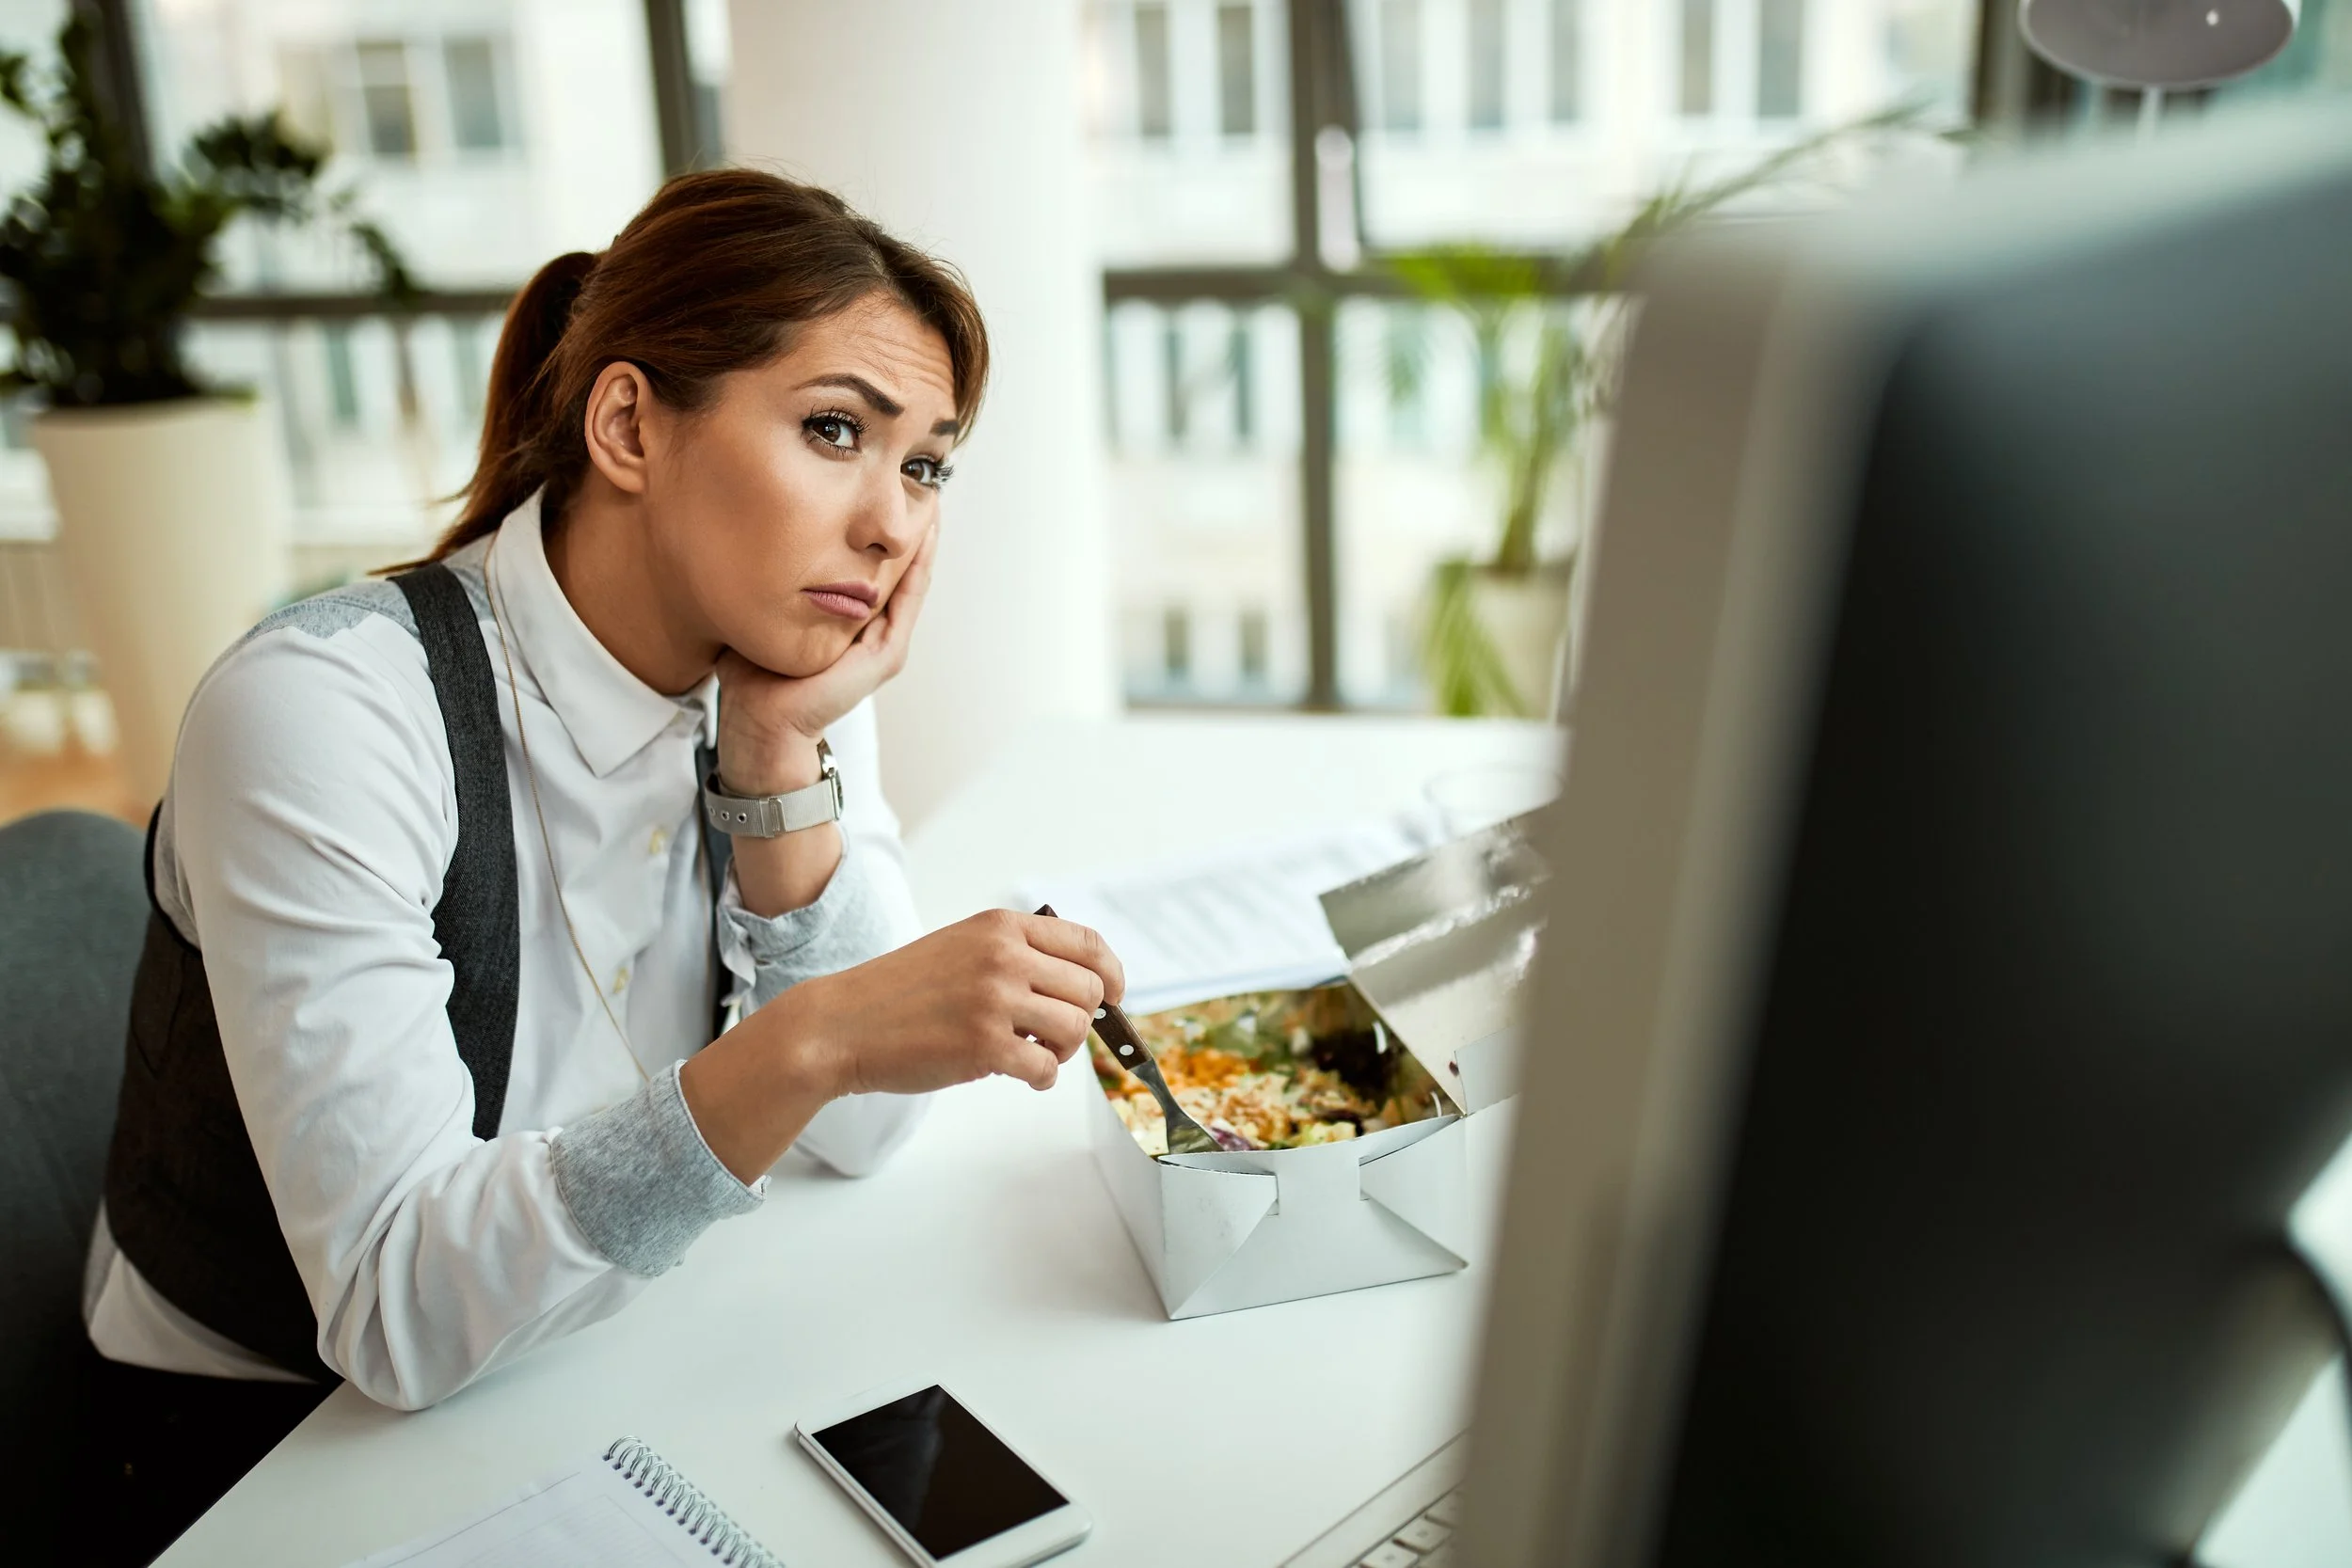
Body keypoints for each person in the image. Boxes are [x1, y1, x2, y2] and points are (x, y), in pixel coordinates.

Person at [73, 169, 1125, 1563]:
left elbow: (865, 1131)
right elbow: (398, 1310)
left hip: (586, 1351)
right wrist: (808, 1041)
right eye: (834, 431)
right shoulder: (328, 713)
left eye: (924, 464)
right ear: (628, 423)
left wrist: (772, 760)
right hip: (268, 1454)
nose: (894, 524)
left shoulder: (780, 676)